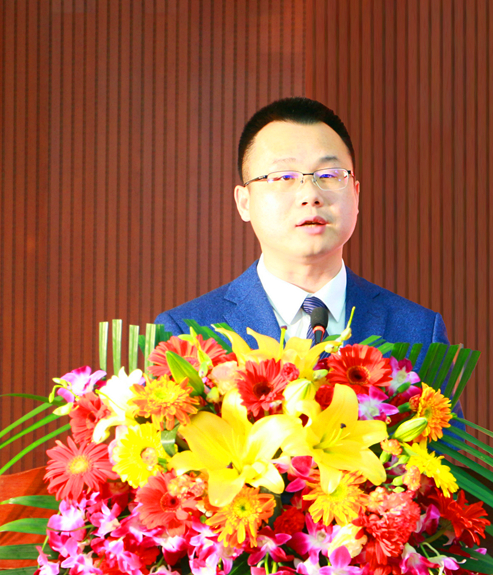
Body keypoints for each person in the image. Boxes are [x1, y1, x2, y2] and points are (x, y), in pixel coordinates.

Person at [154, 97, 464, 430]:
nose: (310, 195)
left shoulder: (418, 330)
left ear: (356, 194)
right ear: (244, 202)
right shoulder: (186, 332)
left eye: (329, 174)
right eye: (283, 177)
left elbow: (447, 459)